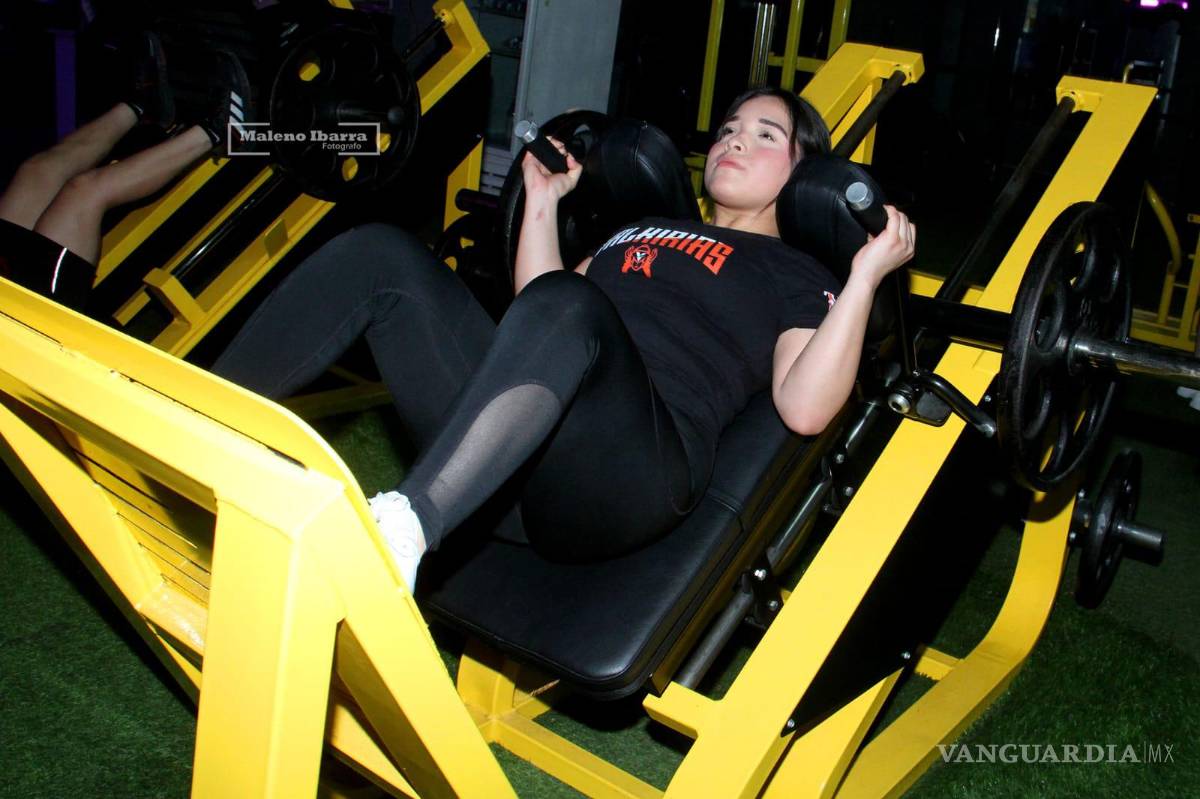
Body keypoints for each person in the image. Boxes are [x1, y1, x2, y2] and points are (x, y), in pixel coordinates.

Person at [210, 87, 916, 589]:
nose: (735, 139)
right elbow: (536, 318)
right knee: (383, 254)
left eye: (766, 135)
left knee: (574, 303)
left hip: (628, 476)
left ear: (804, 170)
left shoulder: (793, 270)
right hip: (510, 457)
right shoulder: (640, 228)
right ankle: (198, 415)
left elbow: (805, 408)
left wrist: (863, 277)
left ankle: (399, 536)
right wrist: (544, 204)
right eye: (730, 127)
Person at [0, 31, 250, 308]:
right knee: (83, 193)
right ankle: (220, 132)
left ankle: (142, 106)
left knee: (36, 172)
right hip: (27, 311)